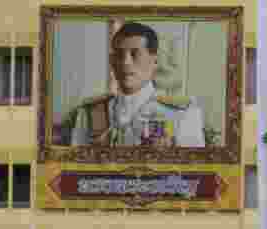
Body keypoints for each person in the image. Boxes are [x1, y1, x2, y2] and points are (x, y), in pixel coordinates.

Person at [68, 21, 205, 147]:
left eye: (135, 54)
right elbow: (75, 162)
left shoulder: (181, 112)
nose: (125, 62)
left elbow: (194, 164)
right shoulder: (91, 113)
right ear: (112, 62)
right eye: (119, 55)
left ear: (155, 61)